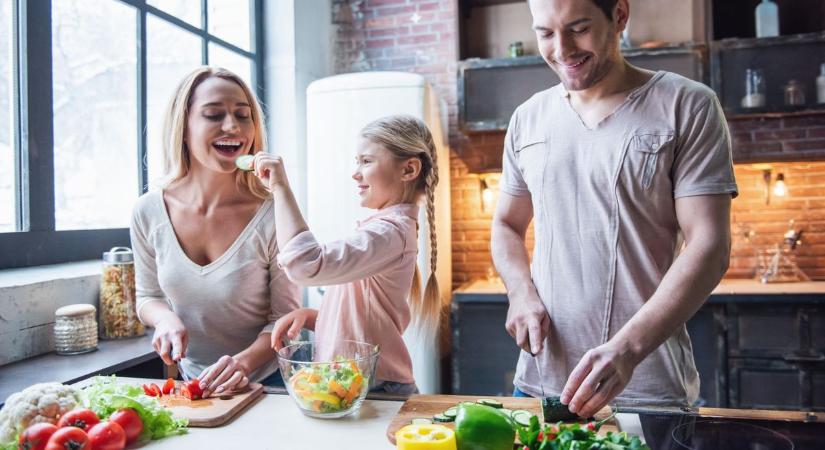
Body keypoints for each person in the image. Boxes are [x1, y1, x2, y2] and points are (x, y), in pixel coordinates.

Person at [491, 0, 738, 417]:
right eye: (545, 33)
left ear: (619, 16)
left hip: (648, 388)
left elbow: (709, 246)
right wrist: (519, 292)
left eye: (579, 28)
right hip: (541, 383)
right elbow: (506, 224)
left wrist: (626, 350)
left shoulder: (687, 105)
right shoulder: (527, 119)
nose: (562, 49)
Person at [131, 67, 301, 398]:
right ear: (183, 128)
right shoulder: (148, 211)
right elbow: (148, 297)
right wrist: (165, 320)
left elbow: (285, 321)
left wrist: (243, 364)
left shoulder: (272, 213)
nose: (232, 127)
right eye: (213, 115)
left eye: (243, 115)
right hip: (195, 384)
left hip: (271, 385)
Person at [259, 115, 441, 395]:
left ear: (409, 169)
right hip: (359, 385)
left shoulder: (389, 233)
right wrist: (311, 317)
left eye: (366, 161)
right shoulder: (386, 231)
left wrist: (280, 187)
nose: (356, 173)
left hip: (376, 389)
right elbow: (364, 318)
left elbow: (306, 265)